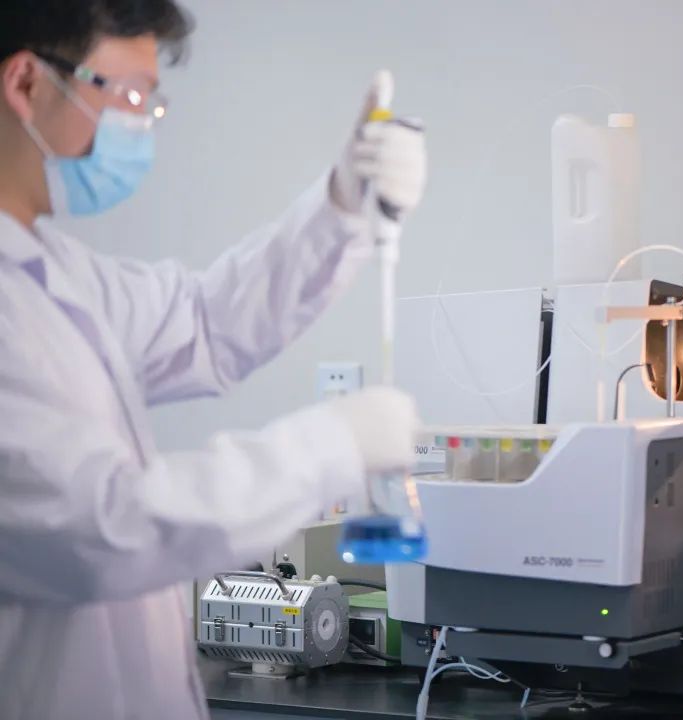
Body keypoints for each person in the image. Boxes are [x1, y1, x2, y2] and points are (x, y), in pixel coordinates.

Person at [0, 1, 428, 718]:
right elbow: (105, 529)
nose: (143, 124)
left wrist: (343, 202)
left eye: (151, 102)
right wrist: (330, 445)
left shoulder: (61, 274)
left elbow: (206, 321)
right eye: (129, 95)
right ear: (25, 83)